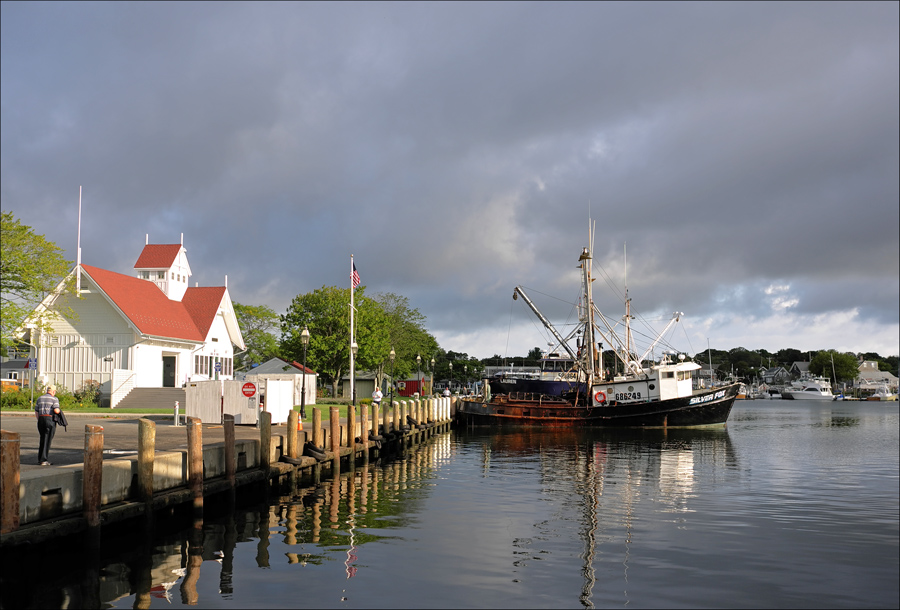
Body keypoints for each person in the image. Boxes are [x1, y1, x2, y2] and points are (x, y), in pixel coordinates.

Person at [34, 385, 61, 465]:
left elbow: (36, 412)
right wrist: (59, 411)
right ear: (53, 391)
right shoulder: (54, 399)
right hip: (49, 419)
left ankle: (40, 458)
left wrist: (40, 419)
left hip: (41, 419)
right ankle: (43, 459)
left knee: (42, 438)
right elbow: (56, 410)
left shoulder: (40, 398)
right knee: (48, 439)